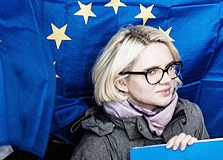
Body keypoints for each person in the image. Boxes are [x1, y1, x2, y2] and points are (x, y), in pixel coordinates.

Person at [71, 25, 207, 159]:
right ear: (122, 83)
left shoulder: (191, 115)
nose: (167, 79)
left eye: (170, 67)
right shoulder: (99, 145)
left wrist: (201, 156)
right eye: (151, 72)